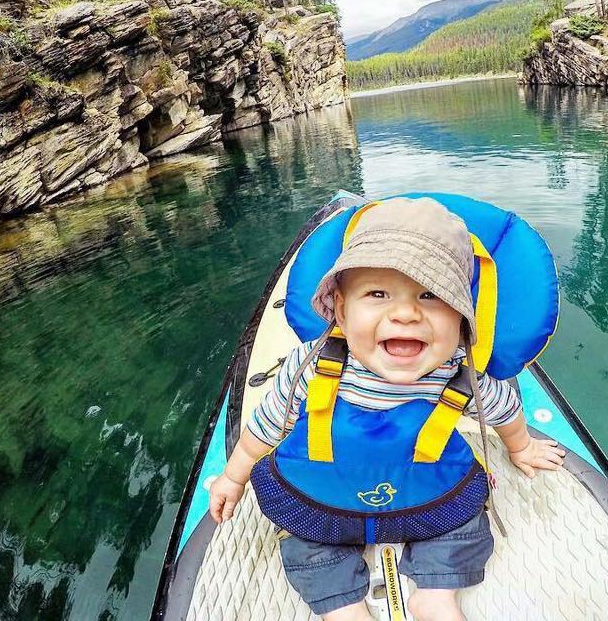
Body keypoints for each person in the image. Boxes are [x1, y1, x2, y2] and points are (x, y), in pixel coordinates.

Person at [209, 197, 565, 621]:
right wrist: (233, 477)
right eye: (377, 293)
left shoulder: (459, 372)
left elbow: (504, 412)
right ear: (340, 309)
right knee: (306, 544)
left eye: (432, 295)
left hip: (428, 500)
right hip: (327, 503)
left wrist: (521, 448)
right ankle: (344, 608)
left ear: (462, 319)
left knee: (465, 524)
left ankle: (435, 595)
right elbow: (265, 427)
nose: (405, 314)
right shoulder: (312, 365)